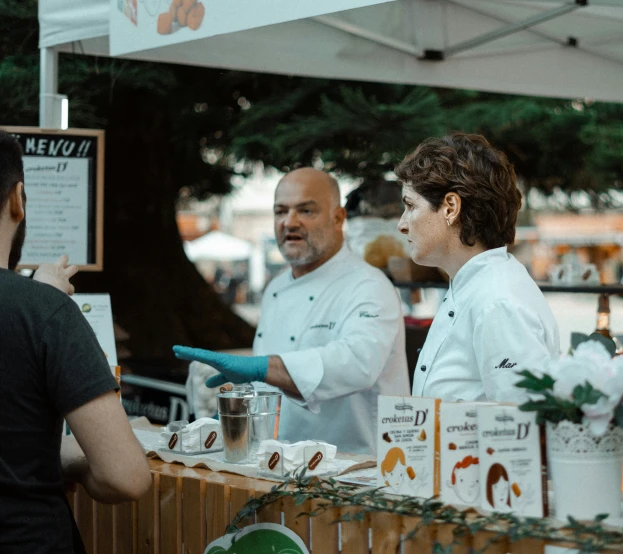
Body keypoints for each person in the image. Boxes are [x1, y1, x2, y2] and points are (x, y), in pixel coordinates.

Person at [175, 168, 409, 455]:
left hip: (353, 467)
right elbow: (271, 389)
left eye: (306, 210)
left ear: (338, 218)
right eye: (280, 211)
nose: (290, 222)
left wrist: (261, 368)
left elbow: (358, 363)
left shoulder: (369, 285)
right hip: (280, 462)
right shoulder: (276, 289)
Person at [0, 131, 151, 553]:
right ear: (18, 199)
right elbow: (125, 475)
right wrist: (74, 463)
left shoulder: (37, 306)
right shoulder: (45, 313)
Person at [395, 132, 559, 403]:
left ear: (450, 208)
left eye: (410, 206)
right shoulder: (477, 285)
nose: (402, 224)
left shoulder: (497, 302)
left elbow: (521, 425)